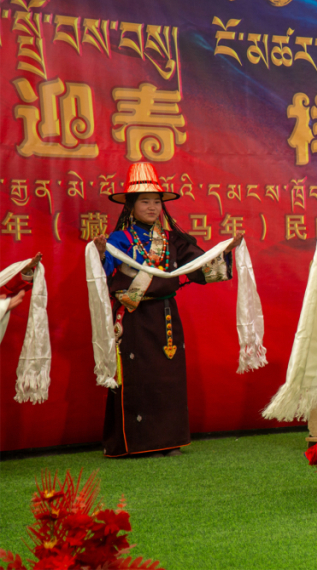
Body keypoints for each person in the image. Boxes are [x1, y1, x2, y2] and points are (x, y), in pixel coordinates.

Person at [91, 162, 243, 458]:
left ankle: (168, 441)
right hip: (133, 317)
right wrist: (99, 253)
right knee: (138, 378)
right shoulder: (119, 240)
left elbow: (200, 268)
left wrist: (224, 251)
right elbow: (104, 274)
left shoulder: (173, 240)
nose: (152, 207)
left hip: (165, 315)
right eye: (145, 201)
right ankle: (136, 444)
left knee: (167, 378)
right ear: (130, 206)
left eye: (156, 201)